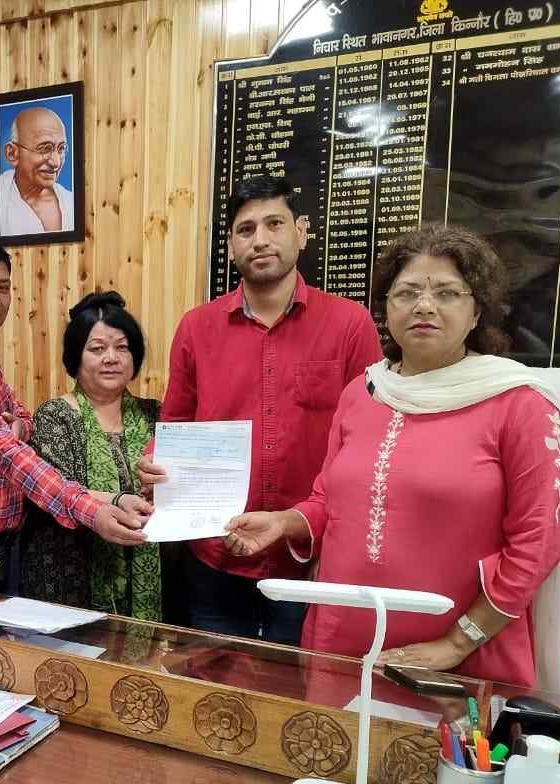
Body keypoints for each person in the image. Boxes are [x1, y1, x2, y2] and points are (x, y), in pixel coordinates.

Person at [224, 225, 560, 688]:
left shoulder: (522, 404)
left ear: (477, 312)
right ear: (386, 308)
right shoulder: (363, 392)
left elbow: (540, 539)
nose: (424, 305)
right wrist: (284, 522)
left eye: (447, 293)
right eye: (407, 292)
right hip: (341, 643)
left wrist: (458, 642)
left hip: (457, 658)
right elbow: (330, 501)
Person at [140, 174, 382, 643]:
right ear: (231, 246)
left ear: (302, 232)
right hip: (215, 552)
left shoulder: (350, 325)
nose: (261, 239)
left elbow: (366, 446)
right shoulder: (196, 328)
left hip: (309, 559)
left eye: (275, 224)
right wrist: (156, 461)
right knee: (212, 679)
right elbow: (176, 423)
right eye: (246, 229)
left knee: (302, 682)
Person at [0, 235, 152, 603]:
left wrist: (18, 426)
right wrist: (94, 510)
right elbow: (5, 454)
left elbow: (20, 415)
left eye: (3, 288)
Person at [20, 291, 162, 619]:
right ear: (76, 357)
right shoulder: (55, 415)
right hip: (69, 574)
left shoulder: (155, 415)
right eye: (97, 349)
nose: (111, 358)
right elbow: (58, 488)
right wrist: (118, 500)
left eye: (122, 347)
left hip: (148, 569)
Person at [0, 107, 74, 235]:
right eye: (45, 149)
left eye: (61, 149)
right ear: (12, 153)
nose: (56, 163)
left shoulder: (71, 202)